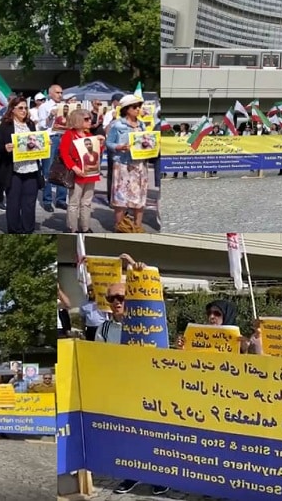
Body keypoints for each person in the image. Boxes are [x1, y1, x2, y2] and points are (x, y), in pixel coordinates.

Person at [97, 255, 170, 497]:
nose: (117, 302)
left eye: (121, 297)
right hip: (123, 390)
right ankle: (131, 475)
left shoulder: (149, 321)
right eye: (112, 298)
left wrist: (139, 270)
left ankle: (160, 477)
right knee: (129, 437)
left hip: (151, 389)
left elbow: (150, 289)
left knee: (154, 434)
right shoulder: (104, 329)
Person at [0, 96, 41, 233]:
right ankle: (14, 231)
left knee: (29, 203)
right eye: (20, 108)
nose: (24, 110)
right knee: (13, 203)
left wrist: (43, 144)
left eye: (25, 108)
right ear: (12, 110)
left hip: (31, 168)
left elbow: (36, 142)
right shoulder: (5, 126)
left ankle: (28, 230)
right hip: (13, 170)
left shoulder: (31, 124)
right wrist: (5, 148)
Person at [105, 95, 149, 233]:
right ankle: (120, 226)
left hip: (139, 164)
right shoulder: (117, 125)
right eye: (134, 107)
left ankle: (137, 226)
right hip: (123, 163)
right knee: (121, 197)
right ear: (126, 109)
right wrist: (119, 147)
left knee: (139, 196)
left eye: (139, 107)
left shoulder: (142, 124)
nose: (137, 109)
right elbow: (109, 143)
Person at [60, 109, 104, 233]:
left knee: (87, 202)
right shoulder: (69, 134)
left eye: (90, 118)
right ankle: (72, 228)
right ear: (78, 120)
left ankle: (85, 227)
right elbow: (64, 153)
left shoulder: (89, 135)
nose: (90, 121)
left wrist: (100, 143)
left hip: (90, 173)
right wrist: (74, 167)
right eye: (86, 119)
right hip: (77, 173)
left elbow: (96, 153)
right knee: (74, 202)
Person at [37, 84, 68, 212]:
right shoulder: (44, 107)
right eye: (57, 92)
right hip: (51, 138)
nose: (60, 95)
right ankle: (47, 200)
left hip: (64, 138)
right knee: (48, 169)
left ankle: (61, 199)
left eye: (61, 92)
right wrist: (50, 116)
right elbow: (42, 125)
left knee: (64, 168)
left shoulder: (65, 106)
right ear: (50, 94)